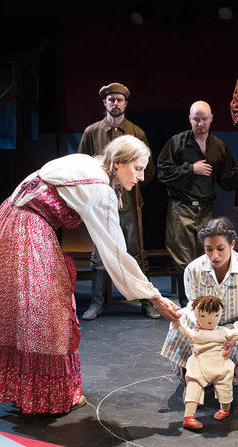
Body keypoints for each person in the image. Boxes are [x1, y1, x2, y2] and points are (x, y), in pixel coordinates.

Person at [0, 136, 181, 415]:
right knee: (49, 315)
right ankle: (47, 397)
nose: (141, 176)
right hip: (25, 230)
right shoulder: (100, 188)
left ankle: (26, 391)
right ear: (118, 162)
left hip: (4, 222)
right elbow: (115, 252)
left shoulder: (86, 162)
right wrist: (154, 296)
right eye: (137, 168)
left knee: (23, 314)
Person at [77, 82, 160, 320]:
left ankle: (147, 302)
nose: (115, 103)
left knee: (135, 252)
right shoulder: (92, 132)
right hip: (100, 204)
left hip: (130, 204)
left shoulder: (136, 132)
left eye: (119, 100)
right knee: (100, 253)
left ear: (126, 103)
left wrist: (131, 181)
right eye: (111, 99)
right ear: (105, 103)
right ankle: (96, 303)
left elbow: (149, 171)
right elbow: (84, 164)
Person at [157, 101, 238, 306]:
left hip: (206, 208)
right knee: (182, 258)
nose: (200, 123)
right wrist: (190, 168)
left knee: (206, 255)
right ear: (190, 119)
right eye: (196, 118)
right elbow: (163, 172)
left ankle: (205, 303)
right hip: (181, 207)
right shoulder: (176, 143)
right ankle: (186, 303)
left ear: (211, 118)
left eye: (204, 118)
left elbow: (226, 181)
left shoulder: (218, 147)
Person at [160, 217, 238, 386]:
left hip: (234, 329)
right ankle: (190, 376)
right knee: (182, 317)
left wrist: (231, 338)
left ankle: (233, 362)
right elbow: (193, 307)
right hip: (204, 327)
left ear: (232, 244)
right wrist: (207, 334)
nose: (214, 256)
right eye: (209, 249)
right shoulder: (193, 270)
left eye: (220, 249)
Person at [172, 295, 238, 429]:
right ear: (197, 315)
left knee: (224, 387)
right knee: (193, 386)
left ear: (219, 314)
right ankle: (188, 417)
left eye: (215, 315)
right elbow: (180, 327)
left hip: (220, 365)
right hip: (199, 365)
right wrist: (175, 319)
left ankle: (224, 409)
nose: (210, 320)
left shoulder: (223, 333)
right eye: (203, 316)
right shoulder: (195, 334)